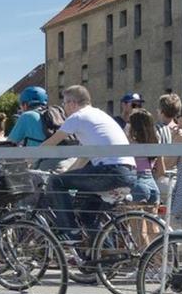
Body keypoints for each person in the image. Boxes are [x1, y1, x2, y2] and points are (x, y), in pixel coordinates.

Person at [38, 85, 135, 243]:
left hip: (110, 172)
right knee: (87, 214)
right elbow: (82, 160)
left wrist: (26, 160)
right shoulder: (98, 116)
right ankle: (104, 257)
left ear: (72, 103)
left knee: (55, 183)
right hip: (127, 173)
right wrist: (64, 175)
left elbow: (51, 142)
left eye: (64, 104)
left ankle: (70, 232)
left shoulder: (78, 117)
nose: (64, 109)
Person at [126, 110, 164, 207]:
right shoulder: (156, 141)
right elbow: (161, 170)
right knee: (152, 220)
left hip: (137, 181)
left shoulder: (130, 142)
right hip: (152, 184)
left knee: (135, 219)